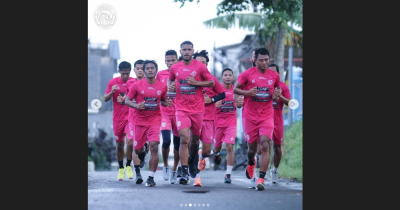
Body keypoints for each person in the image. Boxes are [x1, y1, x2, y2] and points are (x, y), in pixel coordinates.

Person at [168, 40, 215, 185]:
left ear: (193, 51)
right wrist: (171, 87)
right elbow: (170, 82)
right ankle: (184, 171)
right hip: (181, 109)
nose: (187, 52)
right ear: (180, 52)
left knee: (194, 142)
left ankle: (193, 161)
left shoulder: (200, 67)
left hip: (198, 109)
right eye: (184, 50)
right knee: (184, 139)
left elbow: (211, 83)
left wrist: (197, 83)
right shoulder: (175, 68)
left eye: (189, 50)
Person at [233, 47, 281, 190]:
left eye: (266, 60)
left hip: (267, 115)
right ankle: (250, 162)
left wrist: (275, 96)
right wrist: (247, 92)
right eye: (261, 60)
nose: (264, 63)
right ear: (255, 60)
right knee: (251, 150)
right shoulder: (247, 74)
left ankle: (261, 178)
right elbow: (235, 89)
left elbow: (276, 92)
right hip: (249, 116)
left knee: (265, 145)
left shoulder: (274, 76)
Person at [125, 60, 172, 187]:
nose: (150, 70)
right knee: (137, 149)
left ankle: (151, 177)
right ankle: (142, 151)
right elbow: (127, 101)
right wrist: (136, 105)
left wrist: (167, 103)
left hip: (154, 121)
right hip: (139, 121)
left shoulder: (162, 86)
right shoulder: (137, 85)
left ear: (156, 70)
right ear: (144, 71)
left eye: (152, 68)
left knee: (155, 146)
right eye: (148, 68)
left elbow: (162, 100)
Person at [192, 50, 225, 187]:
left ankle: (201, 156)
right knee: (191, 145)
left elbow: (222, 94)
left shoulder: (212, 80)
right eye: (198, 62)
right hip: (193, 117)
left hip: (208, 119)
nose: (201, 65)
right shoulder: (189, 80)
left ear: (207, 65)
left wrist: (211, 99)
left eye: (203, 63)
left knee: (206, 151)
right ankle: (195, 175)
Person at [103, 61, 135, 181]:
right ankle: (121, 168)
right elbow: (105, 99)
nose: (126, 76)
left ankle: (128, 166)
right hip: (117, 118)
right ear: (119, 71)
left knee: (130, 143)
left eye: (127, 73)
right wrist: (112, 91)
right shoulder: (113, 82)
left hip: (130, 118)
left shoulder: (133, 81)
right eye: (123, 74)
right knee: (120, 145)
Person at [213, 68, 242, 183]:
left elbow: (239, 104)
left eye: (230, 75)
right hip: (218, 123)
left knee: (230, 146)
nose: (228, 77)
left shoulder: (236, 90)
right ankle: (216, 154)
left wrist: (240, 104)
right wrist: (215, 103)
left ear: (233, 78)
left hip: (231, 123)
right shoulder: (216, 90)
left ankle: (228, 174)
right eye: (225, 75)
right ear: (221, 77)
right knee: (216, 147)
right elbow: (209, 103)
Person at [156, 50, 181, 184]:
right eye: (168, 61)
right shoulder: (160, 74)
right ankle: (165, 165)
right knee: (166, 141)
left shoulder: (182, 73)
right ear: (165, 61)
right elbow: (156, 92)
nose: (171, 63)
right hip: (164, 113)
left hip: (179, 113)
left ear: (177, 60)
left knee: (177, 144)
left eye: (173, 60)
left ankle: (174, 169)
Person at [268, 63, 291, 184]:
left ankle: (275, 171)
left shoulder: (283, 86)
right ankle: (265, 168)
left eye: (274, 73)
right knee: (264, 144)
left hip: (277, 121)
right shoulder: (262, 85)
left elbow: (290, 103)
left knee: (277, 147)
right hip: (264, 120)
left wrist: (280, 95)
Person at [124, 59, 146, 184]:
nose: (140, 70)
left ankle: (144, 151)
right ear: (134, 70)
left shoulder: (151, 83)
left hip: (149, 118)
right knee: (131, 143)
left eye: (142, 68)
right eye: (137, 68)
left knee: (144, 145)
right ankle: (137, 173)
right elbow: (128, 98)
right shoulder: (130, 83)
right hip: (133, 118)